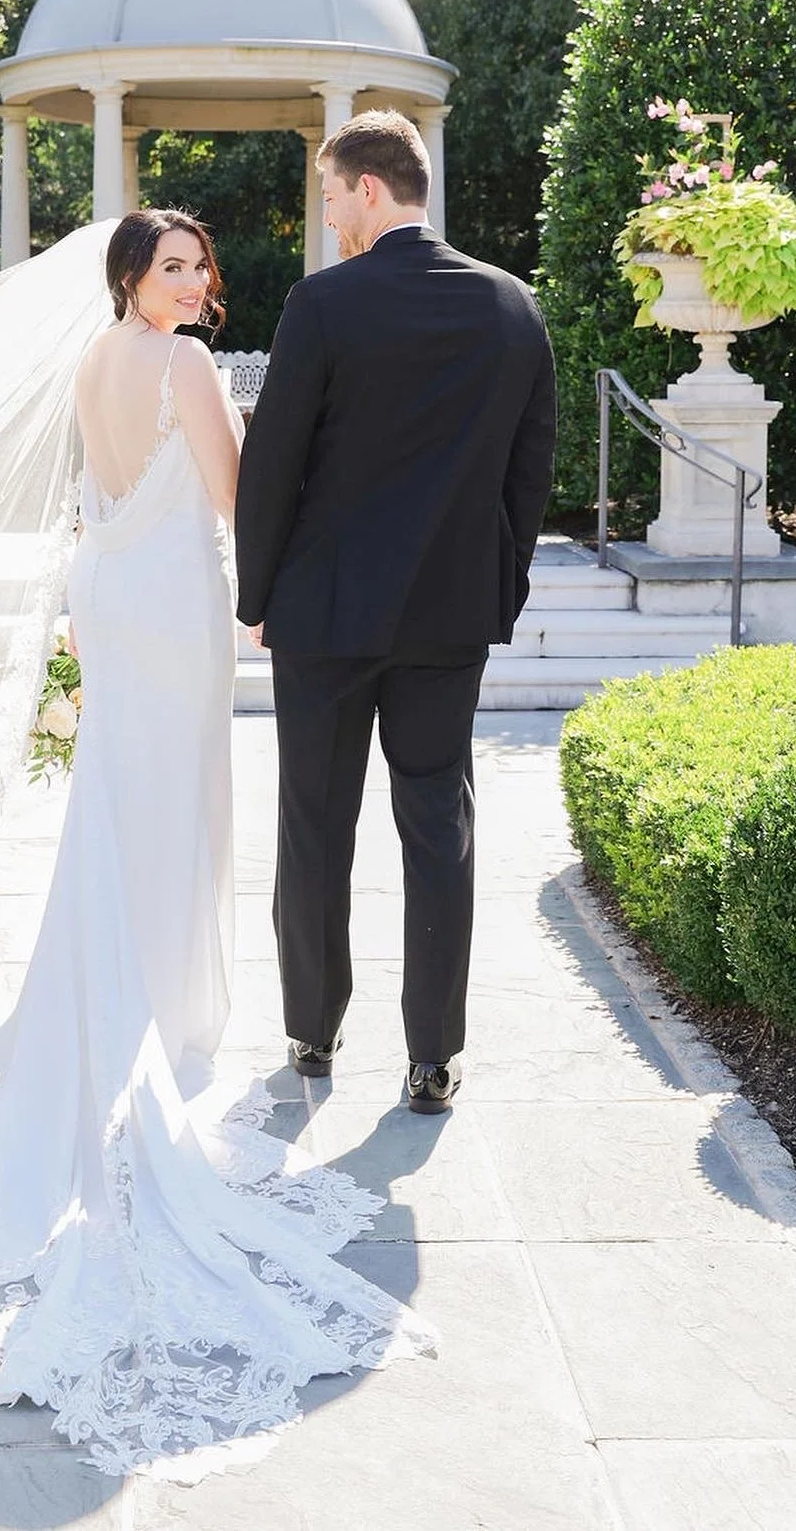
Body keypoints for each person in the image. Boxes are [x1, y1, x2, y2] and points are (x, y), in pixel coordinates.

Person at [0, 209, 434, 1477]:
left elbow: (113, 482)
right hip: (167, 596)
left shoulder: (92, 360)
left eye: (198, 266)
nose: (195, 280)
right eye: (174, 265)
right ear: (130, 277)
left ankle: (118, 993)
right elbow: (231, 492)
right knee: (174, 805)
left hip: (105, 586)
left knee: (122, 799)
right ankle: (162, 1010)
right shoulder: (180, 364)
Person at [235, 110, 558, 1115]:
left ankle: (312, 1029)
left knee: (315, 818)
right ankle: (432, 1056)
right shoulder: (513, 307)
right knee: (438, 823)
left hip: (326, 614)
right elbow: (531, 474)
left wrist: (256, 596)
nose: (329, 218)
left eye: (332, 197)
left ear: (370, 189)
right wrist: (499, 586)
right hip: (450, 618)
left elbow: (274, 466)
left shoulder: (324, 305)